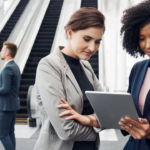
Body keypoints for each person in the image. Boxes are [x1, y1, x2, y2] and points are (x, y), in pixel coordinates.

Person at [34, 7, 105, 150]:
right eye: (87, 39)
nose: (92, 47)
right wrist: (96, 125)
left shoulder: (86, 67)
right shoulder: (49, 65)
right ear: (70, 32)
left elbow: (106, 111)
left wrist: (87, 119)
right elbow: (66, 130)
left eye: (97, 41)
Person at [118, 0, 150, 150]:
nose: (147, 45)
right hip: (133, 146)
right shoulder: (138, 69)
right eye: (142, 38)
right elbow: (130, 110)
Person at [0, 41, 21, 150]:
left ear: (7, 53)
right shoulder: (15, 66)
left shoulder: (7, 68)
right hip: (13, 104)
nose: (1, 52)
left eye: (2, 50)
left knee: (2, 135)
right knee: (10, 132)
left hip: (6, 106)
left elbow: (5, 90)